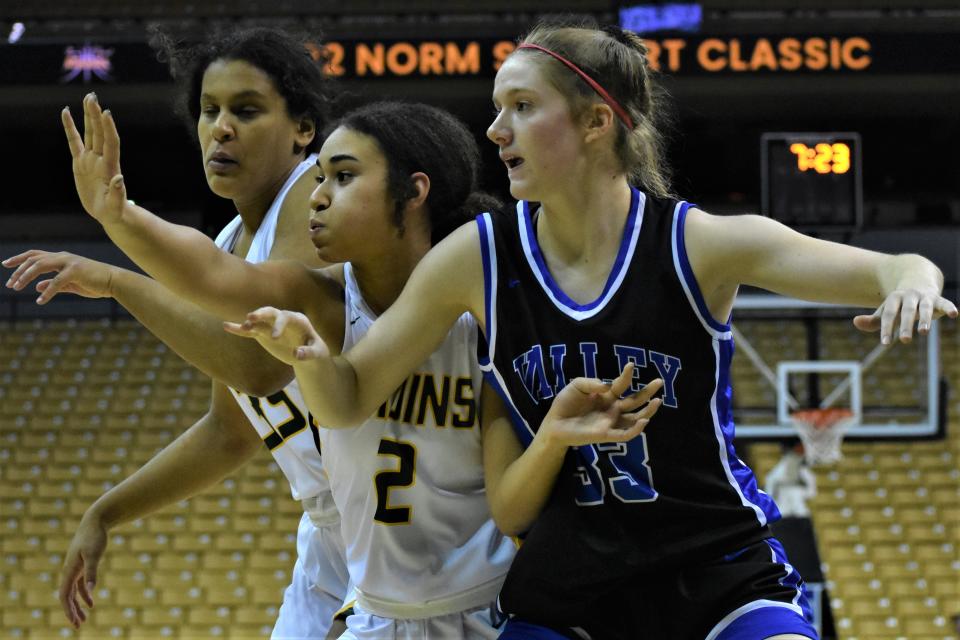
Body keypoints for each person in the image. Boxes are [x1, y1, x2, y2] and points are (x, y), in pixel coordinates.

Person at [214, 20, 954, 640]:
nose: (495, 128)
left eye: (522, 107)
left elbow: (893, 266)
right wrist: (308, 356)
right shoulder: (477, 254)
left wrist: (913, 284)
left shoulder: (695, 245)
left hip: (714, 564)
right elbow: (346, 401)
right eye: (498, 108)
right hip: (570, 584)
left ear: (598, 121)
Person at [7, 95, 664, 638]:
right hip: (379, 614)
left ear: (413, 193)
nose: (317, 197)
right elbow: (212, 274)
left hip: (497, 608)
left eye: (343, 177)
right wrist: (119, 219)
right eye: (318, 176)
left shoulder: (486, 303)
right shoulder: (318, 300)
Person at [3, 27, 352, 638]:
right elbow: (231, 429)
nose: (220, 127)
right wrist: (105, 512)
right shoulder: (229, 244)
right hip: (331, 531)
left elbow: (262, 367)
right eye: (209, 110)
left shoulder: (313, 198)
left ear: (303, 129)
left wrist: (118, 279)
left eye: (246, 110)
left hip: (406, 523)